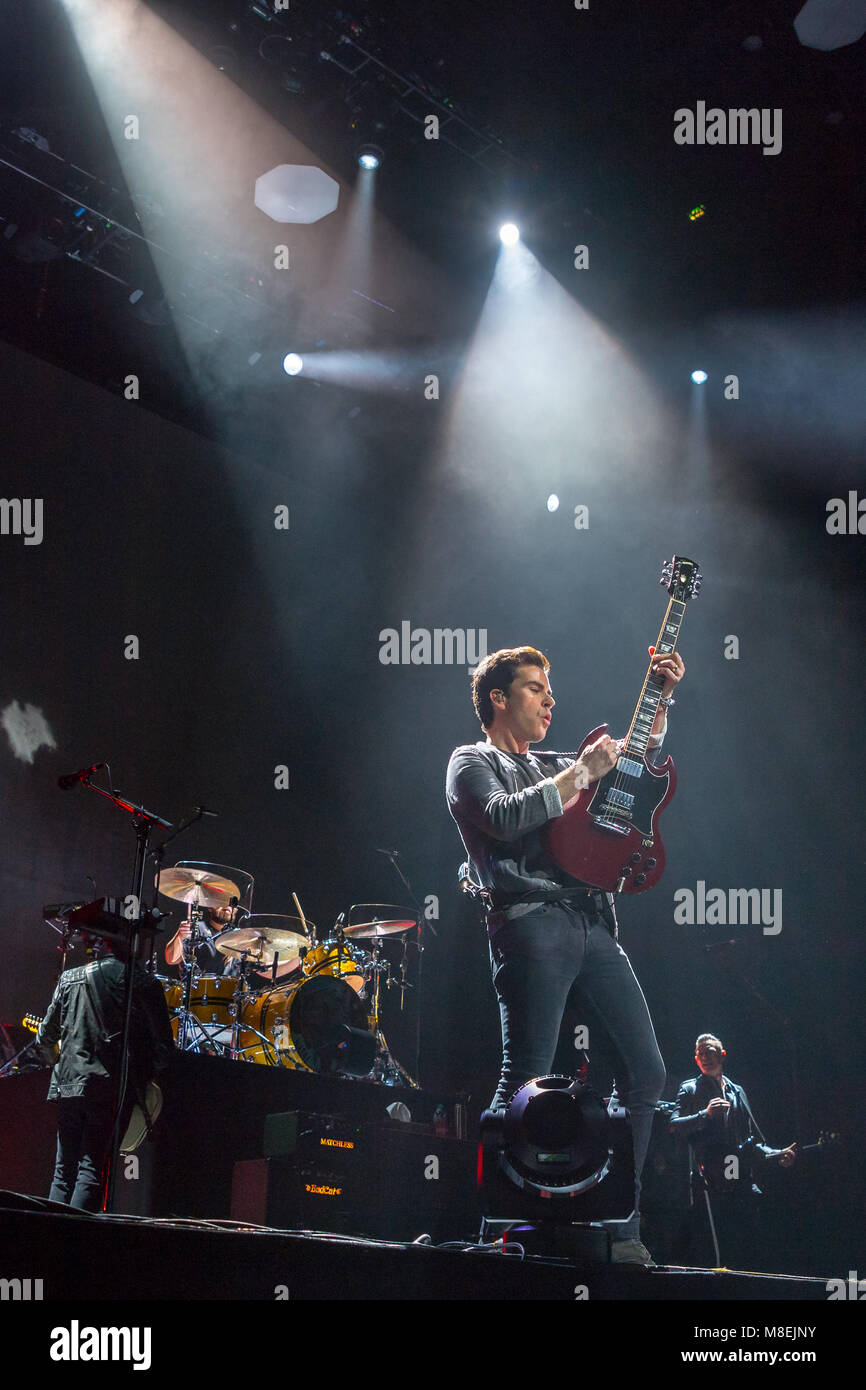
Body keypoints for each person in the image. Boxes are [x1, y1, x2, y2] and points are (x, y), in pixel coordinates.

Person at [446, 644, 684, 1264]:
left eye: (550, 689)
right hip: (529, 921)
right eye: (534, 689)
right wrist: (580, 773)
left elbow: (629, 778)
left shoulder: (555, 760)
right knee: (522, 1076)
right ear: (498, 699)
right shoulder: (471, 760)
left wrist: (655, 713)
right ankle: (500, 1232)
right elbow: (503, 818)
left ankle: (617, 1226)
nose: (550, 700)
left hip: (593, 923)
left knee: (648, 1071)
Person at [35, 934, 174, 1211]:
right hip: (108, 1087)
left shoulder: (70, 977)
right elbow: (164, 1047)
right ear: (137, 946)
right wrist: (144, 1080)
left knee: (62, 1173)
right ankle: (78, 1245)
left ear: (104, 944)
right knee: (90, 1171)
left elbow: (44, 1038)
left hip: (68, 1084)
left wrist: (60, 1064)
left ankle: (50, 1241)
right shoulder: (143, 983)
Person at [669, 1033, 797, 1267]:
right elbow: (674, 1125)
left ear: (722, 1054)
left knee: (748, 1246)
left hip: (740, 1179)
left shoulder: (737, 1091)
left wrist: (774, 1153)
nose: (704, 1057)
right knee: (714, 1246)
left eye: (709, 1052)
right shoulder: (689, 1089)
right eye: (699, 1054)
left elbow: (750, 1140)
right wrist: (704, 1115)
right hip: (708, 1181)